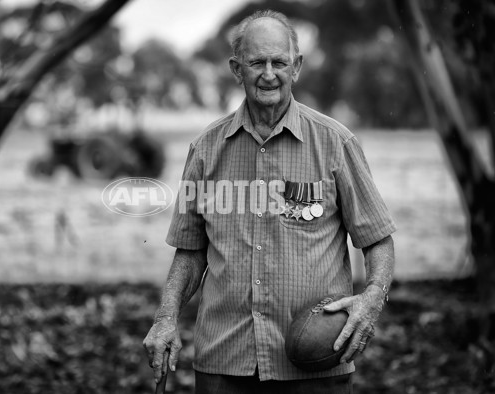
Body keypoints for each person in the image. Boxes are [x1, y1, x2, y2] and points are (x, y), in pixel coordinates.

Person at [143, 9, 396, 394]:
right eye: (256, 62)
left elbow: (377, 239)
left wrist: (370, 301)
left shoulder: (335, 144)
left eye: (279, 62)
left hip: (314, 368)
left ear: (296, 67)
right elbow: (190, 251)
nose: (268, 74)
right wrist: (165, 317)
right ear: (235, 68)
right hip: (223, 360)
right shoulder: (205, 150)